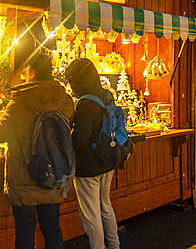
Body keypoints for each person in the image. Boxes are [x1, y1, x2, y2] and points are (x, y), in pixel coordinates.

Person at [0, 54, 75, 249]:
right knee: (51, 226)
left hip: (24, 177)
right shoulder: (65, 101)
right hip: (54, 174)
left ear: (32, 72)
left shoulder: (17, 104)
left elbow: (2, 134)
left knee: (24, 232)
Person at [65, 58, 121, 249]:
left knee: (91, 215)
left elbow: (80, 143)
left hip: (89, 167)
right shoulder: (107, 94)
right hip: (107, 160)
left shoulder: (85, 103)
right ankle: (114, 246)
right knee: (105, 206)